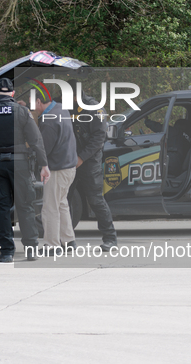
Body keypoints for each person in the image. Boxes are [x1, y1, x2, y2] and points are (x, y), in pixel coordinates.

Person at [0, 78, 50, 263]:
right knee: (26, 206)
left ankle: (6, 252)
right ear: (12, 94)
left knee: (2, 208)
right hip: (20, 165)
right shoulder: (22, 112)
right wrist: (44, 165)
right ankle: (30, 250)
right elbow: (36, 140)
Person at [68, 79, 118, 251]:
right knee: (64, 200)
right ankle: (66, 240)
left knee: (95, 200)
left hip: (89, 161)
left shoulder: (95, 108)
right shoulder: (65, 105)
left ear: (77, 95)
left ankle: (110, 238)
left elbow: (99, 138)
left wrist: (81, 157)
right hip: (69, 160)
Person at [35, 96, 79, 252]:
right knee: (62, 203)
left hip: (57, 169)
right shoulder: (61, 109)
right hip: (69, 167)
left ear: (39, 102)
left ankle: (52, 245)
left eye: (33, 104)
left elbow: (44, 149)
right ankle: (69, 240)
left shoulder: (48, 121)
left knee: (50, 207)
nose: (33, 108)